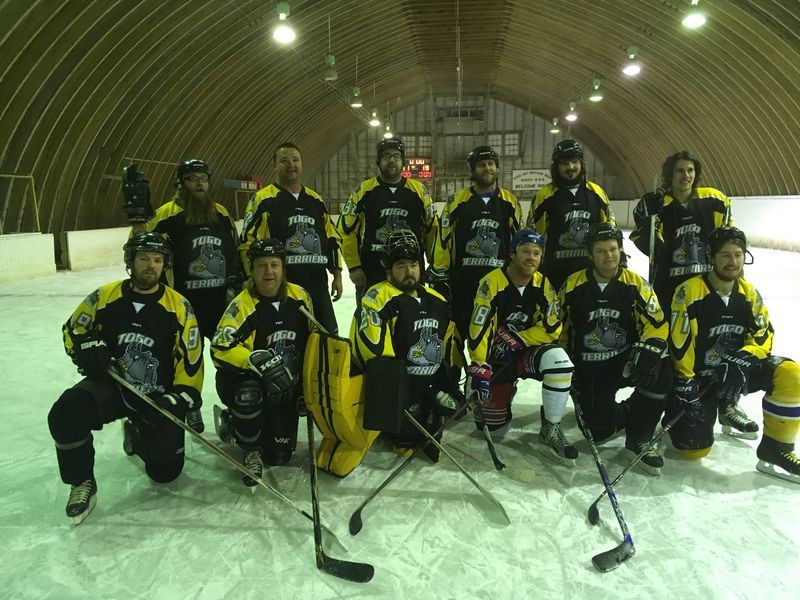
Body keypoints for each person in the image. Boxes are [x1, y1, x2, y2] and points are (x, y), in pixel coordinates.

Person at [47, 233, 204, 524]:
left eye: (157, 260)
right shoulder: (104, 296)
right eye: (143, 258)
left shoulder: (179, 306)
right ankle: (82, 481)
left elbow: (191, 358)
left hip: (156, 395)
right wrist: (86, 347)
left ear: (164, 265)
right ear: (130, 261)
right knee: (66, 412)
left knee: (165, 474)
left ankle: (139, 433)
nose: (150, 266)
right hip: (112, 386)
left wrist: (179, 397)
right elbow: (73, 330)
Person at [668, 226, 800, 483]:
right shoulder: (689, 292)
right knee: (694, 450)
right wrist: (686, 383)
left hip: (735, 375)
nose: (733, 262)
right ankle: (704, 409)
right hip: (700, 381)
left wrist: (743, 359)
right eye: (726, 255)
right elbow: (680, 342)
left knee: (791, 374)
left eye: (738, 255)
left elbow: (763, 335)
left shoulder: (749, 294)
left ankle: (775, 449)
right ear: (711, 257)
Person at [139, 158, 242, 433]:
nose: (199, 184)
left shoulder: (220, 213)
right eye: (192, 178)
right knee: (186, 361)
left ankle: (236, 408)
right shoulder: (166, 214)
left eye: (203, 178)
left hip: (221, 302)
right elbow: (139, 250)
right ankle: (191, 406)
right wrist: (138, 222)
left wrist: (240, 283)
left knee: (229, 357)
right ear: (181, 183)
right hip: (182, 305)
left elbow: (236, 250)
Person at [558, 223, 671, 474]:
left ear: (621, 250)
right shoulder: (572, 286)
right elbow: (559, 330)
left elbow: (657, 323)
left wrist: (650, 347)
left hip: (625, 362)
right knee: (597, 432)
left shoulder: (636, 284)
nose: (609, 255)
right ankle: (629, 409)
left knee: (662, 367)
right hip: (589, 369)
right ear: (590, 254)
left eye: (613, 249)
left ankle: (639, 436)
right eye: (601, 251)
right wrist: (565, 368)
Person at [466, 229, 578, 466]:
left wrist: (519, 338)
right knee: (493, 429)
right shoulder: (491, 282)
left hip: (526, 352)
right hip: (496, 358)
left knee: (560, 361)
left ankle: (551, 427)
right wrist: (479, 365)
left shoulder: (543, 284)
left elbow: (552, 328)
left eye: (537, 253)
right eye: (526, 251)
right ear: (512, 254)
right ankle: (505, 389)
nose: (531, 257)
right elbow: (479, 328)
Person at [351, 228, 461, 458]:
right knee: (405, 442)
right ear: (389, 270)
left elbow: (448, 349)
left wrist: (446, 386)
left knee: (448, 410)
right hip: (398, 391)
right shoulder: (378, 297)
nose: (409, 271)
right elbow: (375, 354)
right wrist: (400, 397)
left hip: (428, 387)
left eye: (413, 264)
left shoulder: (438, 301)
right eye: (401, 265)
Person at [211, 238, 312, 486]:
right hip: (249, 382)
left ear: (283, 268)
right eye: (261, 265)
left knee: (279, 456)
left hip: (285, 386)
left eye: (274, 265)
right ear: (252, 270)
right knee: (247, 394)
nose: (269, 272)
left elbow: (313, 340)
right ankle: (248, 446)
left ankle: (241, 423)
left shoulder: (300, 297)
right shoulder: (242, 305)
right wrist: (253, 360)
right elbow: (219, 347)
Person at [239, 143, 343, 334]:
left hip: (318, 285)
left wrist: (337, 274)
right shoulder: (264, 200)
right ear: (275, 166)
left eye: (295, 160)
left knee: (328, 340)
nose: (291, 165)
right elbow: (248, 241)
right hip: (284, 288)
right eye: (284, 161)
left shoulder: (315, 199)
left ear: (302, 163)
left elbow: (332, 237)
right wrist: (251, 277)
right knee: (293, 340)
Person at [429, 145, 522, 342]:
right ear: (473, 170)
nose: (487, 168)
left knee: (495, 340)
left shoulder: (510, 202)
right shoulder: (456, 202)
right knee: (456, 338)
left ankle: (491, 374)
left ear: (497, 168)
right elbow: (443, 240)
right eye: (481, 165)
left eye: (491, 164)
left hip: (499, 285)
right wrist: (440, 274)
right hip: (462, 284)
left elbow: (518, 242)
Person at [630, 150, 733, 312]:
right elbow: (643, 240)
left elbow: (729, 241)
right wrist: (645, 219)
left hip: (707, 285)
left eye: (690, 170)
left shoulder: (714, 201)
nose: (686, 175)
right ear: (670, 174)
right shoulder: (659, 205)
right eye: (680, 170)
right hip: (669, 286)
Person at [337, 137, 438, 297]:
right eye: (386, 156)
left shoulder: (419, 190)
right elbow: (346, 230)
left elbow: (432, 229)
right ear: (378, 161)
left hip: (410, 268)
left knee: (409, 317)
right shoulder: (363, 191)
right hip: (372, 268)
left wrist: (434, 263)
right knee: (371, 316)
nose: (391, 160)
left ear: (403, 161)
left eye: (396, 156)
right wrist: (354, 266)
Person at [525, 139, 616, 292]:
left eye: (574, 161)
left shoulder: (596, 193)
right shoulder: (544, 196)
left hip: (592, 273)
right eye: (565, 164)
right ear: (556, 167)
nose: (571, 167)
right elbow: (534, 235)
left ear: (581, 163)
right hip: (556, 274)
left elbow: (609, 230)